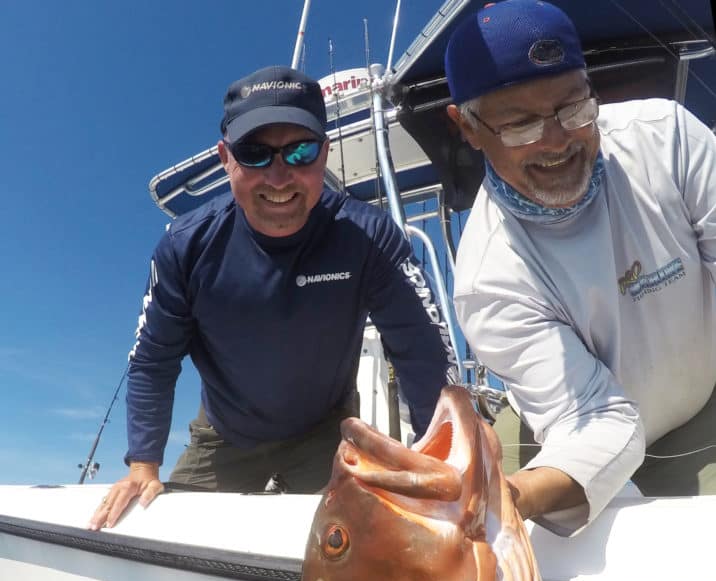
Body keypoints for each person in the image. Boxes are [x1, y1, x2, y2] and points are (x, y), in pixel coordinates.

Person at [89, 65, 455, 531]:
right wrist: (143, 464)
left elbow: (420, 350)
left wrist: (444, 458)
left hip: (327, 431)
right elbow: (152, 360)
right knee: (157, 528)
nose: (280, 177)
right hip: (223, 435)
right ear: (226, 157)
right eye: (255, 154)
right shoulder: (185, 246)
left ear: (324, 153)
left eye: (300, 151)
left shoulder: (368, 237)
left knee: (364, 547)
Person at [445, 0, 716, 536]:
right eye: (520, 125)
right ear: (468, 127)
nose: (556, 141)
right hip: (572, 449)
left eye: (573, 108)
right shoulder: (487, 279)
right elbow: (598, 422)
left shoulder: (666, 135)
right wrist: (503, 497)